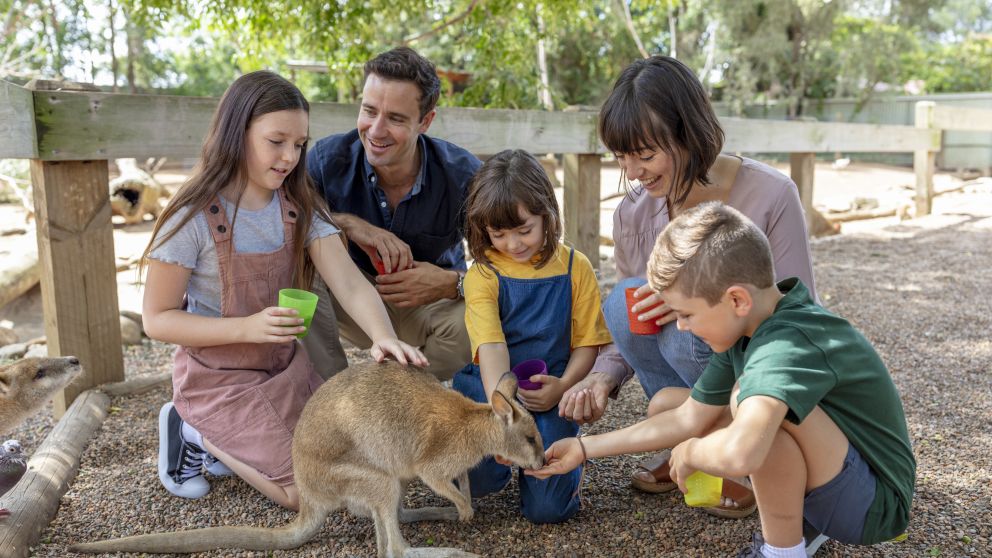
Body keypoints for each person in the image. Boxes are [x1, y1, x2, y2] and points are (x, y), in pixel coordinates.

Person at [530, 202, 915, 557]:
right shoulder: (752, 326)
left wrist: (691, 452)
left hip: (872, 505)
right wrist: (584, 449)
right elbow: (686, 419)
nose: (680, 326)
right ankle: (796, 528)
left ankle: (781, 550)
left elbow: (742, 452)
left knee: (750, 408)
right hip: (842, 475)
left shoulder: (784, 344)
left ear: (736, 300)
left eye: (687, 314)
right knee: (669, 403)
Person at [141, 71, 427, 510]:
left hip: (285, 369)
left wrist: (382, 337)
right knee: (307, 494)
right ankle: (191, 428)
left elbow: (349, 282)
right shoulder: (191, 217)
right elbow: (157, 319)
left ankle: (230, 441)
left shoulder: (298, 208)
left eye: (299, 144)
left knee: (353, 466)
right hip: (218, 380)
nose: (290, 157)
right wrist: (247, 328)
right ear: (237, 133)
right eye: (276, 142)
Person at [557, 55, 818, 517]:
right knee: (624, 300)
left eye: (645, 154)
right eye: (621, 156)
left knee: (687, 322)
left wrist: (691, 300)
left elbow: (799, 320)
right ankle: (689, 442)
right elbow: (631, 322)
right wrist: (604, 375)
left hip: (752, 370)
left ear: (690, 134)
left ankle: (743, 456)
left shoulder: (772, 194)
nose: (633, 171)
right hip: (696, 369)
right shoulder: (634, 212)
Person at [453, 149, 612, 524]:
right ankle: (496, 467)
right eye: (499, 234)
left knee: (548, 510)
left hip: (552, 387)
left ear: (547, 215)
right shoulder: (483, 274)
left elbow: (588, 343)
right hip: (492, 390)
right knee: (478, 478)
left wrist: (564, 387)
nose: (514, 243)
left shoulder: (576, 266)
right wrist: (504, 415)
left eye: (524, 229)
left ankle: (563, 476)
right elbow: (491, 348)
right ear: (483, 230)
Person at [304, 46, 481, 381]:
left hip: (433, 307)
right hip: (353, 299)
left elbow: (509, 270)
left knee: (479, 320)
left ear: (425, 121)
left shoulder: (465, 176)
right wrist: (349, 225)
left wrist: (451, 283)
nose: (376, 130)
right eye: (369, 111)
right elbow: (288, 218)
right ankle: (330, 392)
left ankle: (388, 392)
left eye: (396, 119)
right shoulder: (327, 161)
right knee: (297, 264)